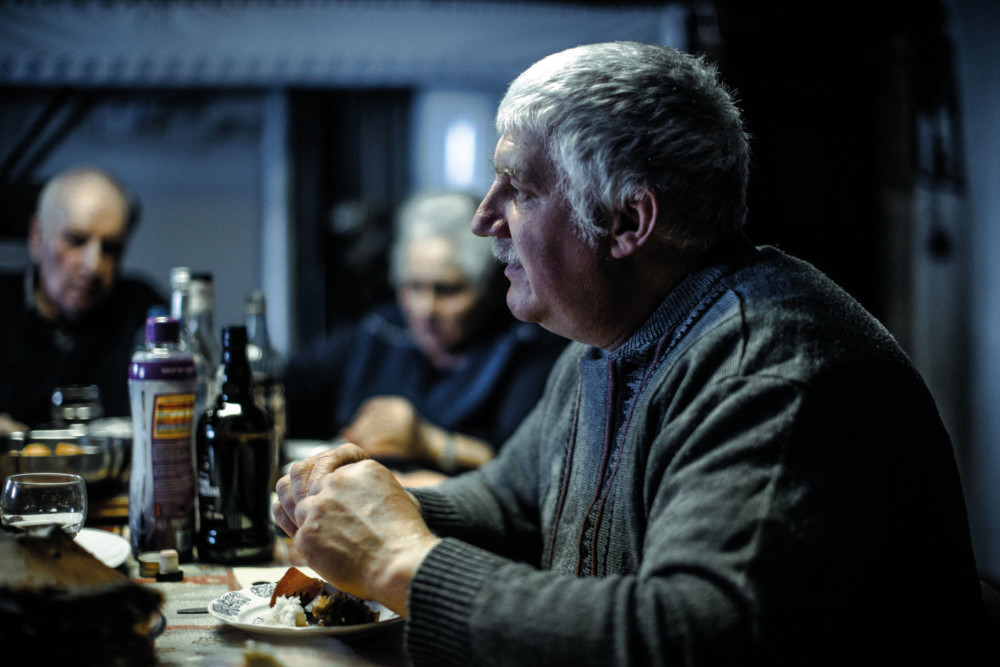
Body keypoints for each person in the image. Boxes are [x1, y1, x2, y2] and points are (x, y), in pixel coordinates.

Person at [273, 42, 985, 666]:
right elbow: (515, 503)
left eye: (517, 187)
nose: (483, 216)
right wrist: (366, 504)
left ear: (624, 221)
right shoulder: (608, 343)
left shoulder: (768, 371)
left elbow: (686, 639)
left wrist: (401, 560)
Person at [284, 190, 566, 483]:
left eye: (447, 290)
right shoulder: (380, 330)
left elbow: (525, 471)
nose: (425, 309)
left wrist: (429, 442)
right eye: (413, 287)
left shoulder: (526, 348)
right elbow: (293, 383)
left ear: (489, 288)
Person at [0, 167, 164, 431]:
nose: (93, 266)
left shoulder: (142, 310)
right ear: (37, 237)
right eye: (75, 241)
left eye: (111, 248)